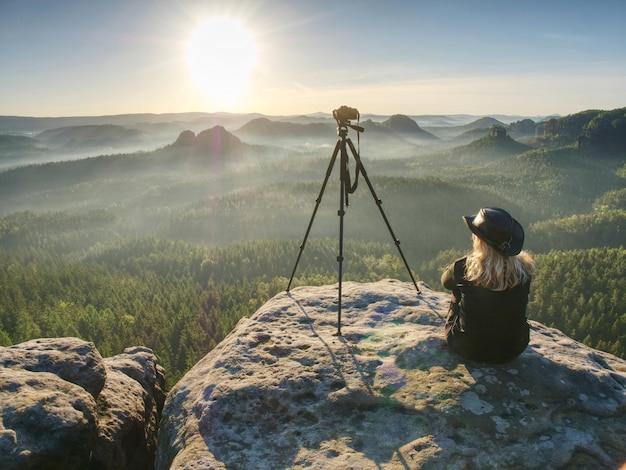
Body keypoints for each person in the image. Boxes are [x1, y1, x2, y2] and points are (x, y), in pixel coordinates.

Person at [442, 207, 536, 363]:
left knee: (457, 290)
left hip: (468, 348)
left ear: (479, 241)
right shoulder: (524, 270)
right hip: (513, 349)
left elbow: (445, 282)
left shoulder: (464, 268)